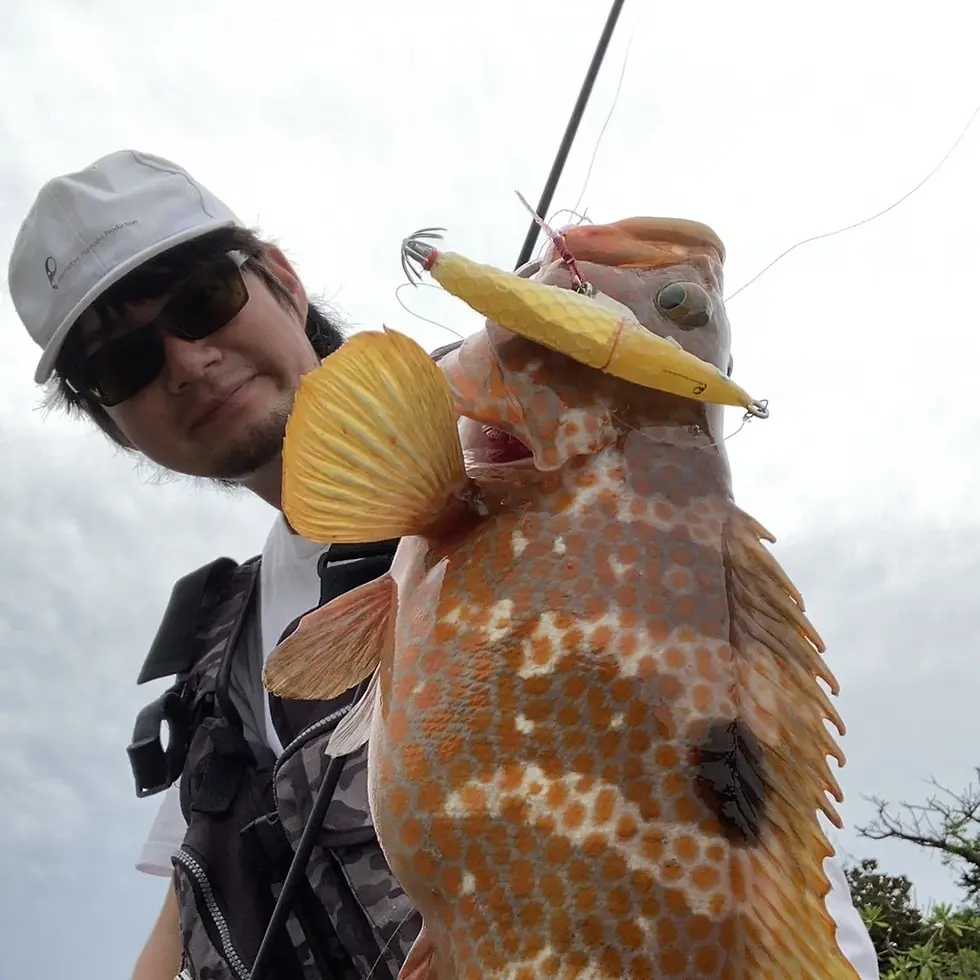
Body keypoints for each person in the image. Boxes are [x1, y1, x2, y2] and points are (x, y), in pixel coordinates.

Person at [6, 149, 882, 980]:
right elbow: (187, 904)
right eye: (120, 364)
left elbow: (752, 836)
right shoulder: (215, 661)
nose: (186, 362)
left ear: (282, 276)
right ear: (108, 420)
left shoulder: (532, 474)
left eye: (202, 299)